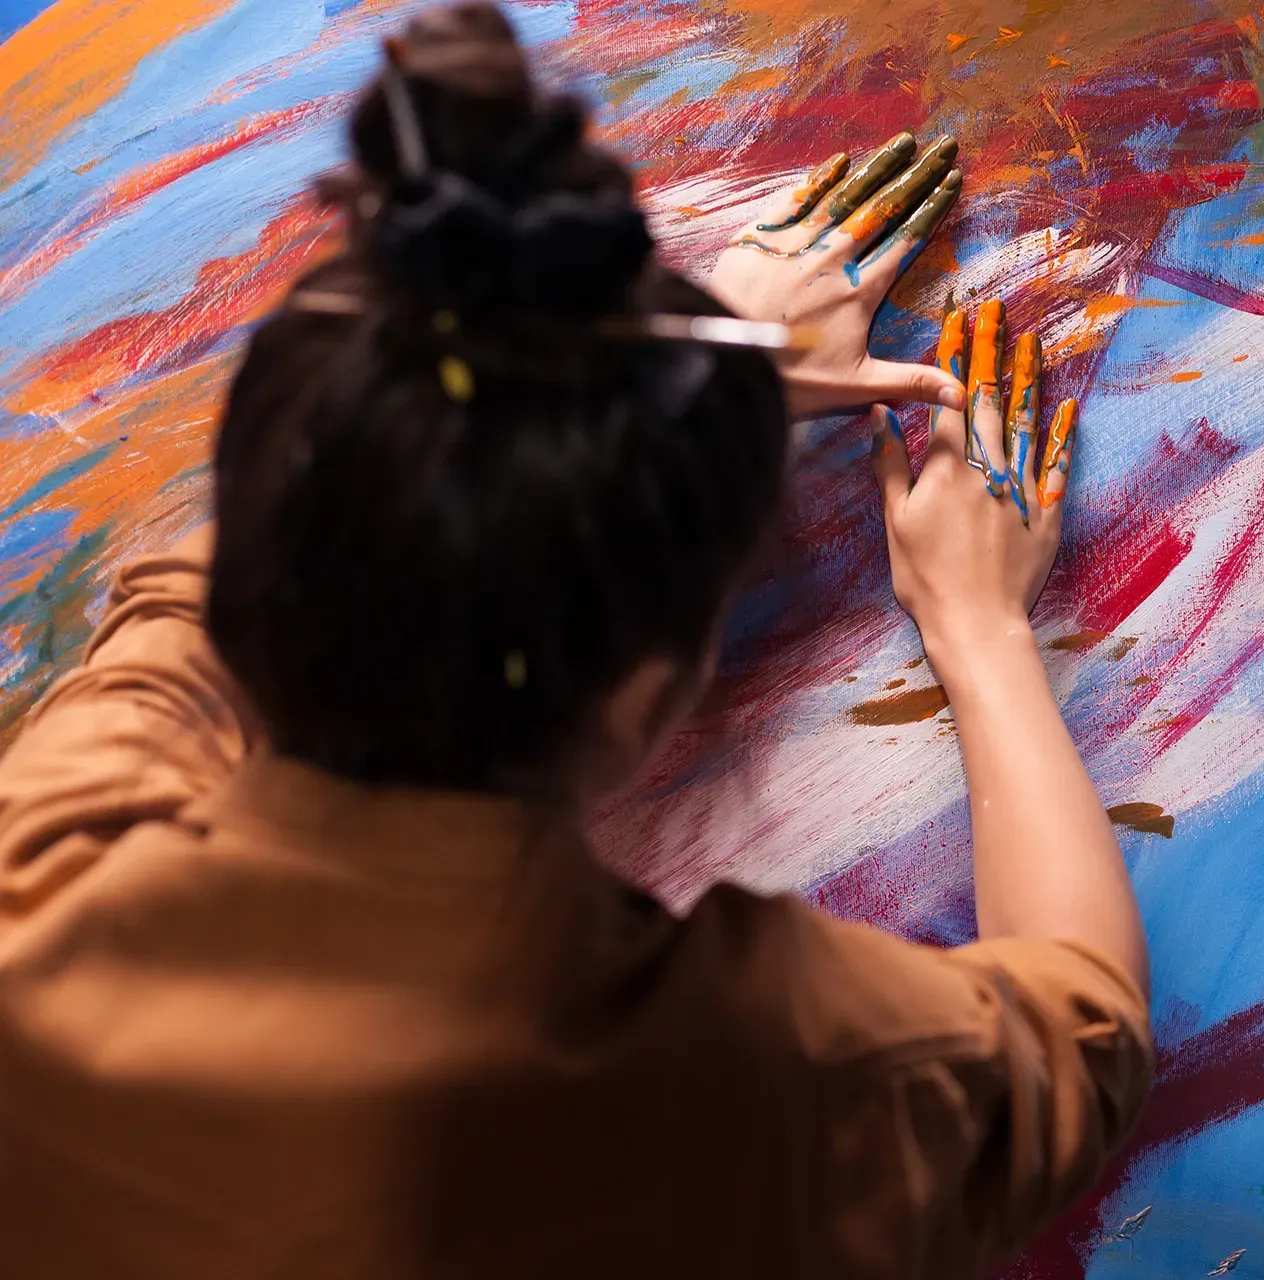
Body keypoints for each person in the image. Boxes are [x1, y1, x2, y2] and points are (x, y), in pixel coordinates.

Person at [0, 5, 1152, 1277]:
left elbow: (193, 603)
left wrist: (670, 382)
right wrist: (980, 629)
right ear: (642, 699)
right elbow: (1081, 1043)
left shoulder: (42, 866)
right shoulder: (708, 1087)